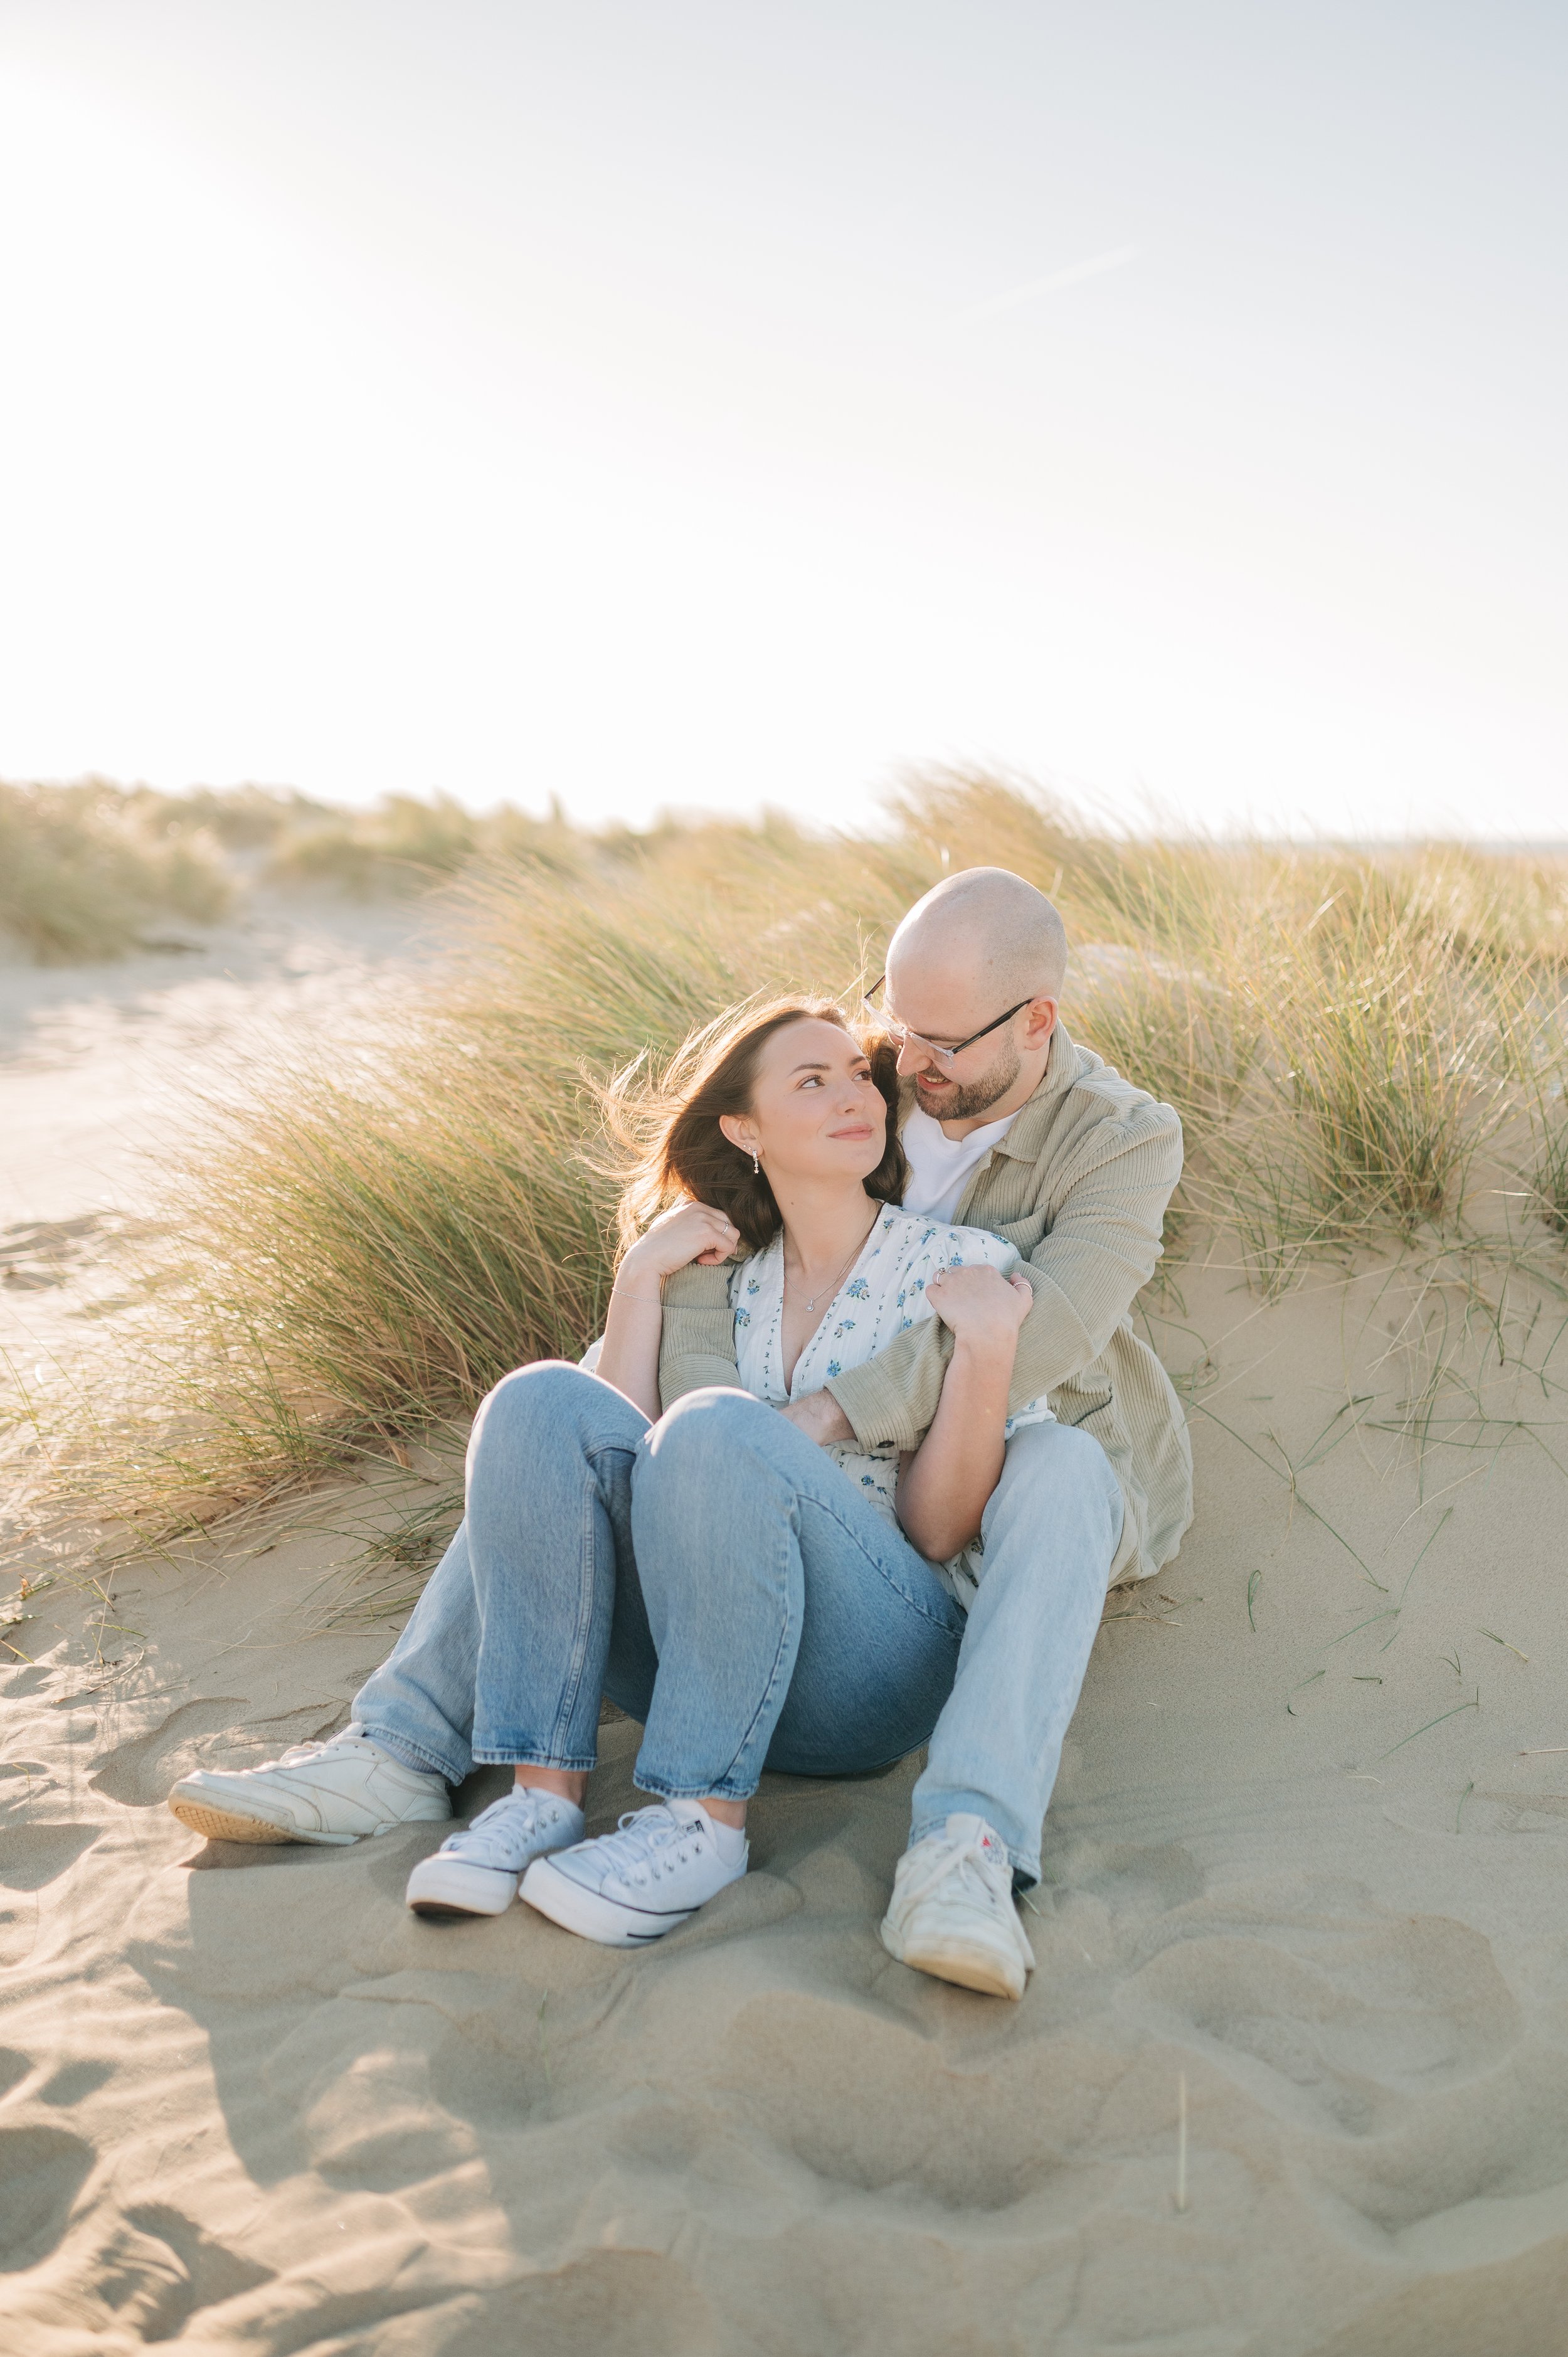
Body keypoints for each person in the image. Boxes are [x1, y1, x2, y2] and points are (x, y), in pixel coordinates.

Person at [169, 867, 1192, 1998]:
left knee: (1060, 1467)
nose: (902, 1068)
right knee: (558, 1410)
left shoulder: (1119, 1138)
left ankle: (967, 1844)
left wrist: (815, 1417)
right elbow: (656, 1397)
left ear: (1037, 1019)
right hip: (756, 1497)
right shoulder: (873, 1085)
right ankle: (405, 1749)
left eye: (938, 1043)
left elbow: (1052, 1327)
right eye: (891, 1034)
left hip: (995, 1457)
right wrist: (654, 1300)